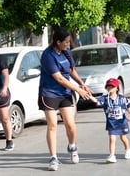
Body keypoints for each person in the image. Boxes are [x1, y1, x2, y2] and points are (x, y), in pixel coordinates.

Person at [38, 28, 92, 171]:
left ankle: (72, 146)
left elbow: (71, 71)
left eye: (69, 42)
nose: (68, 44)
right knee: (52, 125)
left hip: (65, 93)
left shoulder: (66, 53)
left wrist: (82, 84)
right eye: (66, 42)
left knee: (70, 124)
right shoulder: (48, 55)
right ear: (58, 42)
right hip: (49, 93)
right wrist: (78, 90)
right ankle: (53, 158)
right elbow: (59, 78)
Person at [89, 78, 130, 163]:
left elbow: (129, 105)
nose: (110, 88)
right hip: (111, 123)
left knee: (123, 137)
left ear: (116, 88)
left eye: (112, 86)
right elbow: (96, 101)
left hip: (122, 122)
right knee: (112, 138)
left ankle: (127, 149)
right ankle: (112, 155)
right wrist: (89, 96)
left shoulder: (122, 99)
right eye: (108, 87)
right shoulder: (105, 99)